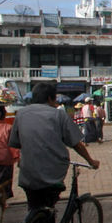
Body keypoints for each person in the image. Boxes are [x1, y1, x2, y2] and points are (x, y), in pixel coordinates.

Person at [8, 82, 100, 214]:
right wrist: (91, 161)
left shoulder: (21, 114)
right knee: (48, 207)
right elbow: (76, 144)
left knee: (34, 207)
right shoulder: (58, 115)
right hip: (51, 175)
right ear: (50, 98)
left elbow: (15, 143)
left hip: (28, 174)